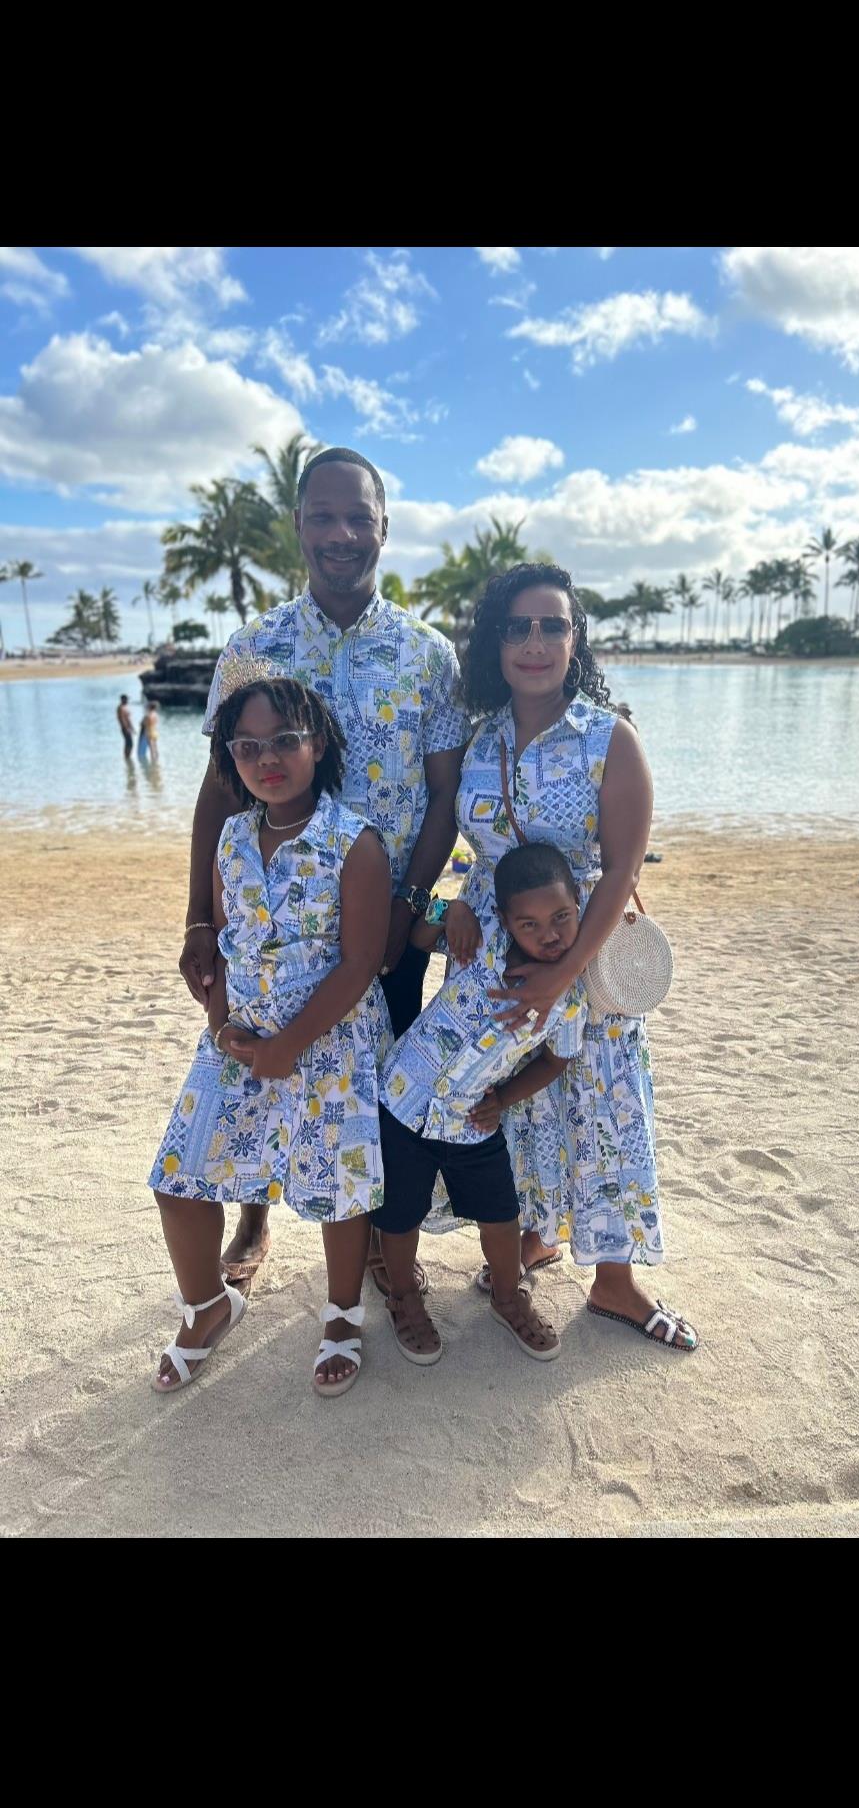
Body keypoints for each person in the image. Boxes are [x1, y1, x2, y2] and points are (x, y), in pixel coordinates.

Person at [178, 446, 468, 1291]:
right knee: (255, 1058)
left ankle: (376, 1232)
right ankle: (255, 1211)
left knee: (378, 1079)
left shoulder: (428, 655)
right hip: (269, 917)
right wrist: (200, 917)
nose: (341, 535)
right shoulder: (253, 646)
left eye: (357, 518)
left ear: (384, 527)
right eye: (323, 517)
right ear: (298, 526)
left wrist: (409, 903)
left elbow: (444, 795)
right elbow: (217, 789)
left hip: (393, 912)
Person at [445, 563, 697, 1353]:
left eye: (552, 625)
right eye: (517, 626)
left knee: (603, 1102)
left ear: (574, 639)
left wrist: (562, 969)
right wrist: (454, 898)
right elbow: (474, 847)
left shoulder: (608, 736)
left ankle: (616, 1283)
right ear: (496, 641)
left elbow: (622, 868)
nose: (534, 642)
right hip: (493, 954)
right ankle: (534, 1237)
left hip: (582, 952)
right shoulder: (478, 739)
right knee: (514, 1101)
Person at [149, 670, 393, 1399]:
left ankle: (344, 1313)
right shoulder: (230, 838)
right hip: (240, 1037)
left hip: (332, 1043)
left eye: (285, 740)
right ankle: (209, 1305)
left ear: (318, 744)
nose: (267, 758)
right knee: (177, 1178)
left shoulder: (356, 844)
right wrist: (220, 1021)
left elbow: (361, 963)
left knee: (336, 1188)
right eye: (247, 746)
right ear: (230, 757)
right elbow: (225, 942)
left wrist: (292, 1044)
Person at [376, 843, 588, 1363]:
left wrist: (504, 1098)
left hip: (473, 1117)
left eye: (561, 917)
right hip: (405, 1100)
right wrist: (453, 911)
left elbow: (556, 1060)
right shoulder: (482, 938)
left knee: (501, 1214)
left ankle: (507, 1298)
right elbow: (420, 939)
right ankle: (404, 1299)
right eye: (530, 924)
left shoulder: (570, 997)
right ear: (506, 920)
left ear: (579, 905)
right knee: (399, 1216)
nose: (549, 934)